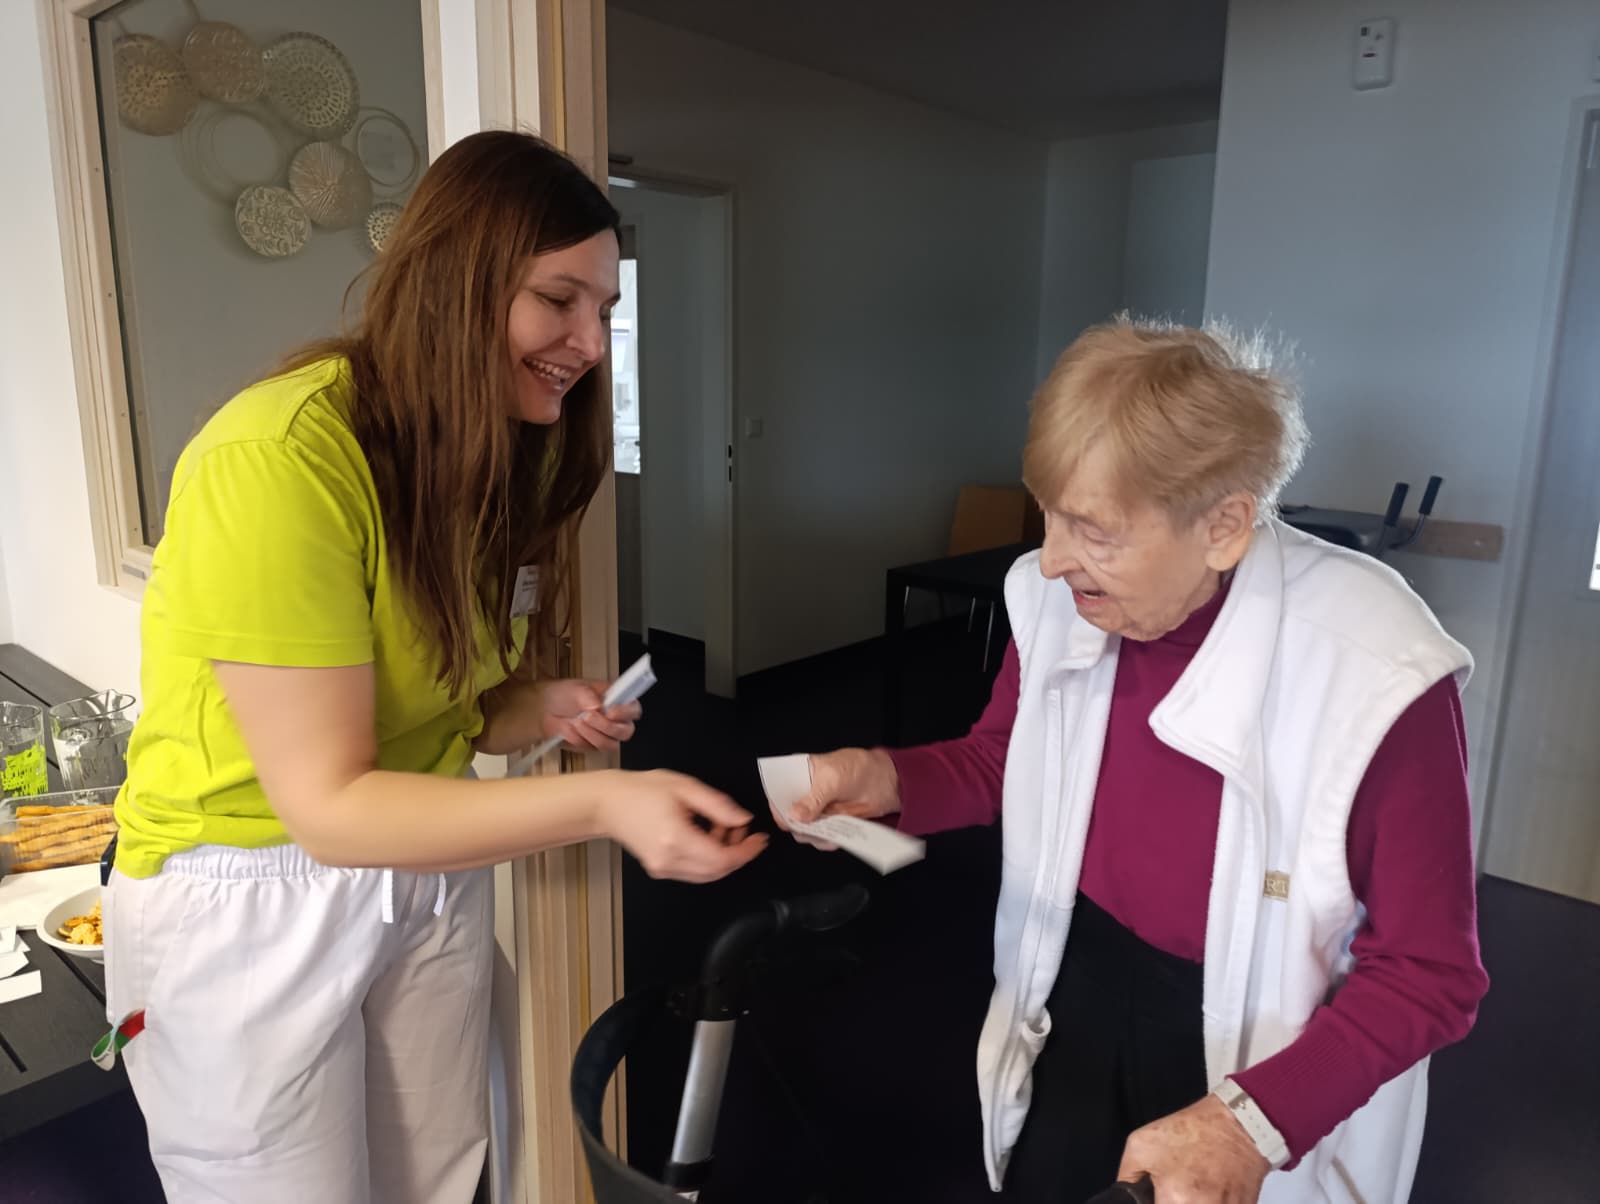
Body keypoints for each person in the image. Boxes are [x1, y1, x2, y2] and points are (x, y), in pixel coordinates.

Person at [103, 131, 766, 1204]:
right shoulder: (280, 459)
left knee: (439, 1177)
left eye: (604, 308)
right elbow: (329, 806)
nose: (589, 342)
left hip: (421, 860)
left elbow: (450, 706)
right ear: (456, 282)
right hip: (248, 893)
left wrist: (538, 706)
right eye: (559, 300)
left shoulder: (498, 452)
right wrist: (606, 802)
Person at [775, 319, 1488, 1204]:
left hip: (1271, 1046)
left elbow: (1430, 972)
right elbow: (1006, 761)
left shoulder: (1376, 667)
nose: (1050, 559)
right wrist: (884, 779)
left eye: (1093, 529)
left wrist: (1252, 1123)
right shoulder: (1063, 602)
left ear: (1223, 525)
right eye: (1049, 513)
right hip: (1074, 980)